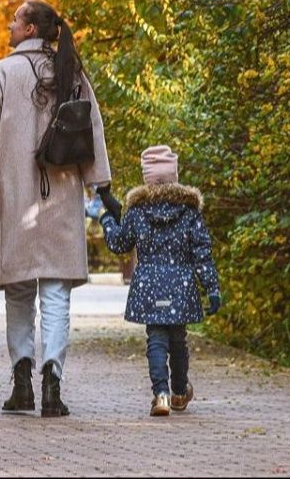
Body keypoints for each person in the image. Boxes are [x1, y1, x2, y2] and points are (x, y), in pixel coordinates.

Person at [0, 0, 118, 418]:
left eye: (15, 19)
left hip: (15, 200)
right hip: (62, 197)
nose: (9, 24)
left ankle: (22, 383)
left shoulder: (0, 74)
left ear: (31, 28)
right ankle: (53, 380)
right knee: (56, 294)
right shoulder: (72, 73)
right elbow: (94, 133)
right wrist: (102, 189)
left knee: (18, 293)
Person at [96, 145, 222, 417]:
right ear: (174, 176)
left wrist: (107, 221)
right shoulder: (189, 213)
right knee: (178, 339)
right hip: (181, 283)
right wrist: (211, 288)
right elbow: (202, 252)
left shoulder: (137, 212)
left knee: (156, 339)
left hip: (149, 283)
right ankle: (179, 391)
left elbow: (120, 244)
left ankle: (161, 394)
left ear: (147, 178)